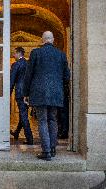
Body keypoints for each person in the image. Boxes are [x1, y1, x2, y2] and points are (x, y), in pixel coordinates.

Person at [23, 31, 70, 161]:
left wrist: (25, 93)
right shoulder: (61, 54)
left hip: (39, 92)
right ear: (53, 40)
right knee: (53, 119)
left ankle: (46, 151)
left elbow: (28, 75)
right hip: (56, 92)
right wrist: (58, 86)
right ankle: (53, 148)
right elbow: (67, 75)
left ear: (42, 40)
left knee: (42, 120)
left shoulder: (35, 53)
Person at [10, 47, 33, 145]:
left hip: (20, 93)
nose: (13, 55)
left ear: (19, 53)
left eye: (14, 53)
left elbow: (12, 80)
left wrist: (8, 93)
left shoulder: (16, 64)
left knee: (23, 115)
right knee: (22, 114)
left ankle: (29, 138)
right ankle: (16, 133)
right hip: (28, 93)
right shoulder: (28, 64)